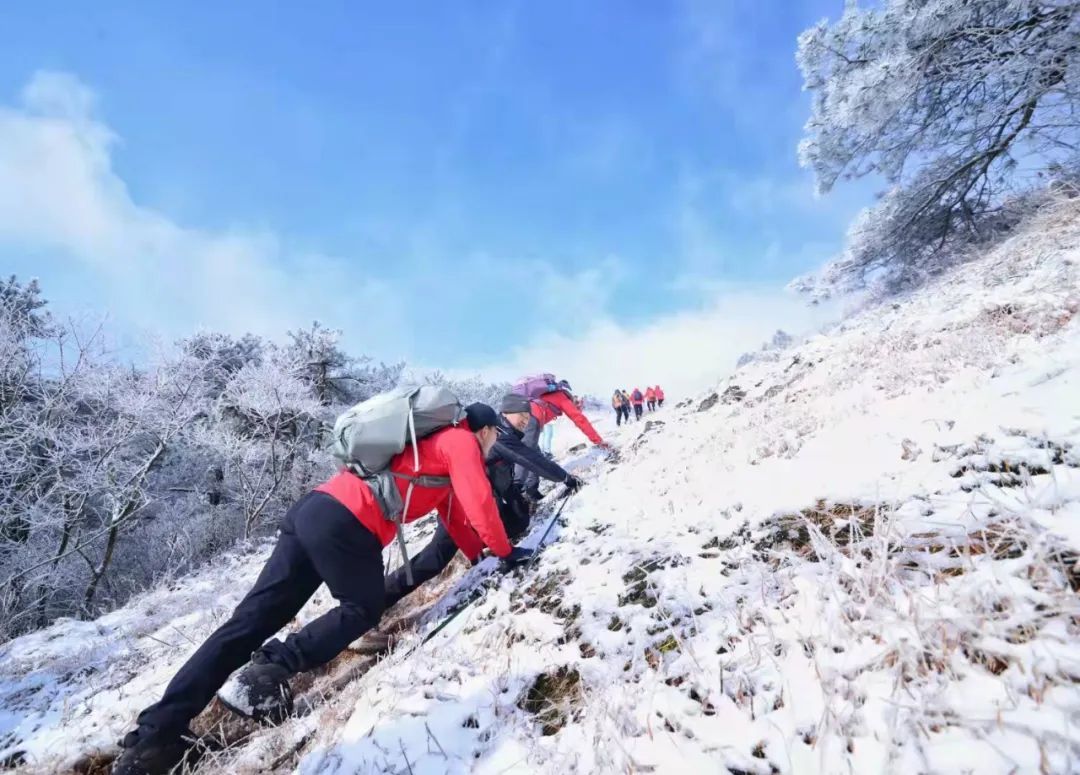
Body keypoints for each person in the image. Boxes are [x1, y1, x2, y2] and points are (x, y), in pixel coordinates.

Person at [113, 404, 526, 775]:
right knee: (362, 608)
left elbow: (457, 518)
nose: (494, 446)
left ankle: (153, 737)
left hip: (315, 509)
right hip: (348, 522)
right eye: (494, 437)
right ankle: (270, 669)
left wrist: (483, 558)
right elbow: (480, 502)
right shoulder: (459, 441)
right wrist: (506, 553)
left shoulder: (428, 454)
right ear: (486, 430)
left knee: (247, 623)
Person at [382, 396, 581, 611]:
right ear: (504, 414)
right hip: (461, 509)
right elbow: (530, 459)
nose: (525, 420)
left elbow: (515, 466)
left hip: (473, 506)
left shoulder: (502, 434)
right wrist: (564, 477)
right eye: (521, 415)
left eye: (527, 416)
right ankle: (380, 598)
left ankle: (480, 545)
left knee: (519, 517)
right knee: (434, 558)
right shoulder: (496, 436)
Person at [516, 379, 605, 501]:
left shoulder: (547, 395)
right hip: (530, 420)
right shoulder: (562, 397)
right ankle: (517, 492)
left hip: (521, 417)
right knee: (527, 454)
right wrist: (598, 440)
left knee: (533, 453)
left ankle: (531, 491)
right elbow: (580, 420)